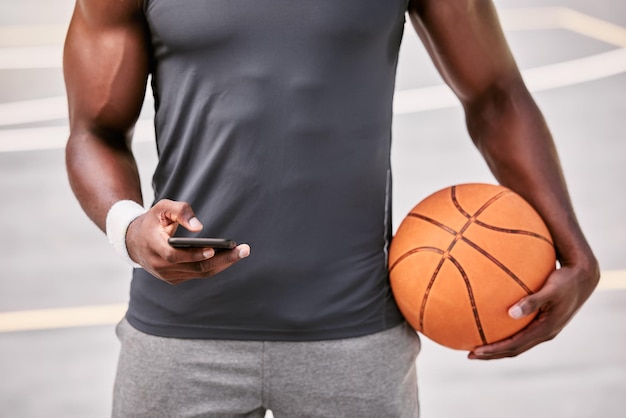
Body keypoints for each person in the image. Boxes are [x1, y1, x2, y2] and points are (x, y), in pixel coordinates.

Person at [63, 0, 599, 417]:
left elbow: (496, 95)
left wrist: (574, 252)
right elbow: (94, 130)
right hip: (178, 339)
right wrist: (129, 227)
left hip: (354, 337)